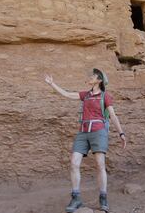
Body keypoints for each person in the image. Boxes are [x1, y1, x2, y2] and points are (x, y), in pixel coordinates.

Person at [45, 68, 126, 212]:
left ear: (99, 80)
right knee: (74, 163)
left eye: (92, 76)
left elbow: (113, 115)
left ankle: (103, 198)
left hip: (98, 131)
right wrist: (53, 84)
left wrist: (121, 133)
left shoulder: (105, 96)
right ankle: (75, 198)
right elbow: (68, 94)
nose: (89, 77)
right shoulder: (86, 95)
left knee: (100, 165)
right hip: (83, 132)